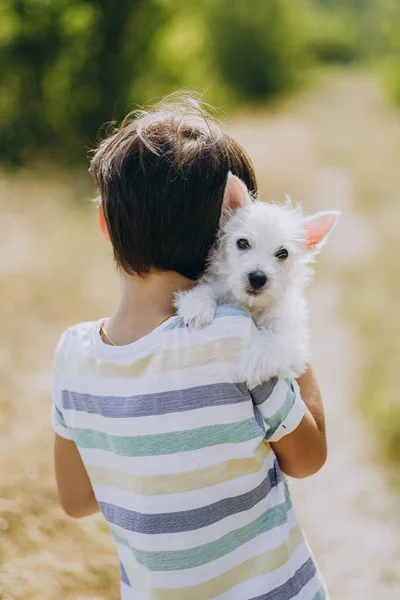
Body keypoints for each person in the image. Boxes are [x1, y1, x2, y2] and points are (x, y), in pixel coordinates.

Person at [52, 94, 329, 600]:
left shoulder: (70, 355)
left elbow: (75, 501)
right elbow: (308, 457)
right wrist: (286, 321)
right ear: (224, 233)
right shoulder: (230, 334)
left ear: (105, 226)